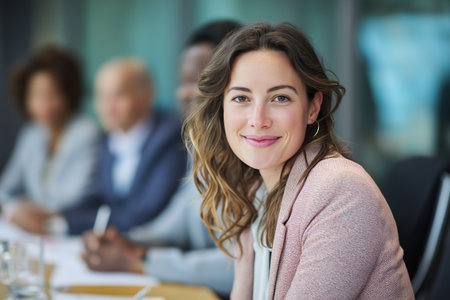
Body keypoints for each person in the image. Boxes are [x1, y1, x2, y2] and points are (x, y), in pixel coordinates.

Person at [184, 23, 415, 299]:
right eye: (241, 98)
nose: (258, 120)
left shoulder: (341, 191)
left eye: (280, 98)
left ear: (313, 108)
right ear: (221, 107)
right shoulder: (255, 190)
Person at [81, 21, 241, 297]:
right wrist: (127, 240)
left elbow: (241, 266)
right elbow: (178, 220)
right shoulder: (202, 149)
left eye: (201, 81)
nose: (184, 93)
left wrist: (141, 262)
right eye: (183, 81)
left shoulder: (257, 160)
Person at [56, 58, 187, 234]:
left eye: (118, 96)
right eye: (101, 97)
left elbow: (145, 212)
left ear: (148, 94)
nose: (107, 107)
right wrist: (57, 216)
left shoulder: (171, 137)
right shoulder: (106, 138)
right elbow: (98, 197)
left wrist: (67, 224)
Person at [0, 46, 100, 234]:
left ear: (68, 94)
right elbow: (6, 188)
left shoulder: (87, 134)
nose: (44, 105)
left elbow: (75, 198)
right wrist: (13, 209)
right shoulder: (31, 134)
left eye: (52, 94)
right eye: (36, 95)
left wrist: (27, 209)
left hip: (69, 232)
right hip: (30, 229)